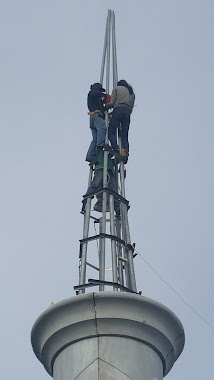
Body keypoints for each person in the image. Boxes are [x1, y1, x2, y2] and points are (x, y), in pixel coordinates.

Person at [82, 149, 120, 216]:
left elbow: (116, 161)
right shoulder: (100, 154)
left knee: (113, 191)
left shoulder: (110, 161)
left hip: (110, 172)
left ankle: (117, 208)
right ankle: (86, 201)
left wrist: (119, 156)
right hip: (100, 169)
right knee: (95, 185)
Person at [106, 80, 135, 163]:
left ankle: (116, 148)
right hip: (127, 112)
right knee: (124, 135)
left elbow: (112, 103)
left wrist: (105, 107)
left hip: (118, 110)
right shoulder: (131, 93)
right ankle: (125, 153)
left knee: (111, 131)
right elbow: (131, 107)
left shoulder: (116, 88)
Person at [86, 83, 107, 162]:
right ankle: (100, 145)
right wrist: (105, 95)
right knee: (102, 128)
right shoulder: (92, 93)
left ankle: (90, 155)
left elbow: (102, 108)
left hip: (93, 117)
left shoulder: (95, 99)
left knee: (94, 139)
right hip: (96, 115)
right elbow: (96, 94)